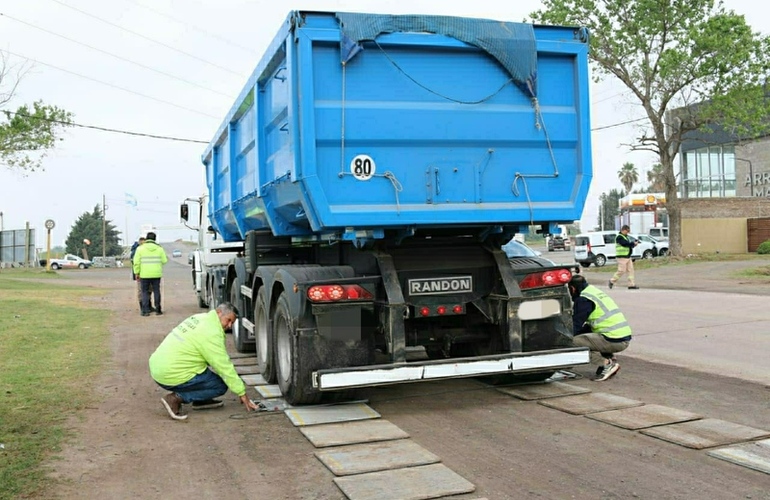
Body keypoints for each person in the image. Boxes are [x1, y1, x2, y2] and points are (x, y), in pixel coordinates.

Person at [149, 302, 260, 420]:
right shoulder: (212, 333)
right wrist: (241, 392)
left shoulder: (199, 318)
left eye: (232, 322)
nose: (229, 325)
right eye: (228, 320)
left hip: (157, 368)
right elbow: (224, 366)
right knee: (219, 386)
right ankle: (176, 398)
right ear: (218, 313)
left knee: (206, 373)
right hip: (171, 374)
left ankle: (200, 400)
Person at [568, 274, 632, 381]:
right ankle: (609, 357)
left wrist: (560, 340)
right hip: (621, 337)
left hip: (613, 340)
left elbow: (575, 326)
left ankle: (606, 364)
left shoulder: (584, 299)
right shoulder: (593, 292)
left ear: (572, 288)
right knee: (586, 335)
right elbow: (589, 326)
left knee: (572, 342)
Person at [132, 232, 167, 316]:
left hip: (144, 274)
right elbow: (164, 261)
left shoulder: (140, 248)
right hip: (156, 274)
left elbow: (136, 262)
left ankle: (145, 311)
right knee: (156, 291)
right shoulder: (159, 249)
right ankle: (158, 309)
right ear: (155, 239)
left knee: (144, 292)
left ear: (147, 239)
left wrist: (136, 272)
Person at [609, 225, 640, 290]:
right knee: (621, 271)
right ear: (623, 230)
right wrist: (633, 244)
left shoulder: (626, 237)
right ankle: (612, 281)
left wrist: (634, 244)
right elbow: (625, 244)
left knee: (630, 271)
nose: (628, 232)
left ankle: (631, 285)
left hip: (627, 256)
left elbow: (628, 245)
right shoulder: (619, 237)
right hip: (621, 257)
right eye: (627, 231)